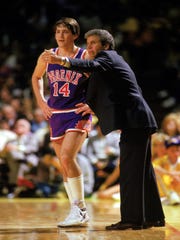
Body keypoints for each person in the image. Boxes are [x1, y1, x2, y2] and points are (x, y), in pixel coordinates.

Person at [42, 28, 165, 230]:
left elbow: (91, 66)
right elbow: (123, 90)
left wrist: (62, 61)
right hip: (136, 120)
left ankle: (132, 220)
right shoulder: (111, 64)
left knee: (129, 171)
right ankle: (153, 217)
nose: (88, 46)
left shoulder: (107, 58)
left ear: (106, 46)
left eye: (93, 43)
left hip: (135, 121)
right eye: (87, 42)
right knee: (143, 171)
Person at [31, 17, 92, 227]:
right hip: (55, 114)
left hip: (77, 112)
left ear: (75, 35)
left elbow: (101, 82)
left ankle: (82, 209)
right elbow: (36, 77)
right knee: (64, 166)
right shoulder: (47, 55)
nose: (60, 36)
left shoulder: (84, 55)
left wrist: (93, 105)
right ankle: (75, 209)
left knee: (67, 157)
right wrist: (41, 102)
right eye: (57, 32)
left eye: (65, 32)